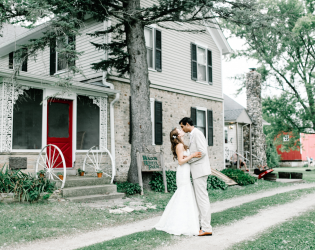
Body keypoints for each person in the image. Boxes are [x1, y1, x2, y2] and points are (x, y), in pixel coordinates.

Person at [155, 128, 202, 236]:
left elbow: (182, 158)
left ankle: (186, 220)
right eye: (179, 130)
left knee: (185, 194)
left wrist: (188, 156)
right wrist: (192, 155)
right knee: (183, 194)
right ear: (178, 135)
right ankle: (180, 222)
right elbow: (180, 162)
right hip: (183, 172)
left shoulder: (181, 144)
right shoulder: (179, 145)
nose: (181, 130)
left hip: (185, 171)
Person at [180, 117, 213, 236]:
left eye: (182, 126)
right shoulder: (192, 135)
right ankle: (202, 224)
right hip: (197, 171)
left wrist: (189, 161)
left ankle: (206, 228)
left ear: (187, 124)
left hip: (200, 171)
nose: (182, 129)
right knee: (199, 199)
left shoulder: (197, 133)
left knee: (202, 199)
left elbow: (202, 152)